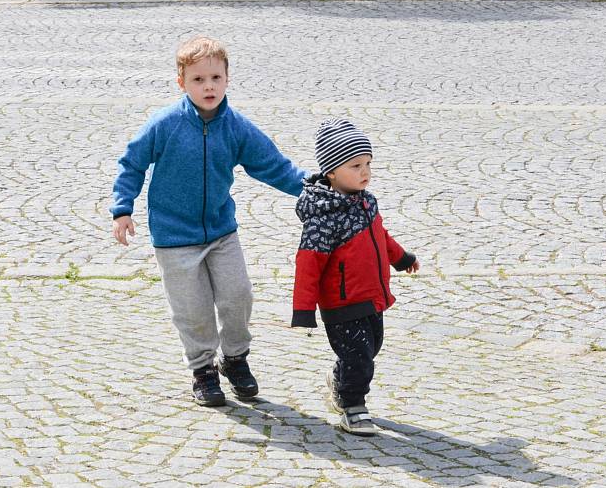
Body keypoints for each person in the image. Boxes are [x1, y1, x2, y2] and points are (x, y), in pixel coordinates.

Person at [110, 36, 307, 407]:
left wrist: (314, 188)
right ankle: (202, 370)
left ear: (227, 79)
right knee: (193, 310)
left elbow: (274, 166)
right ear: (181, 82)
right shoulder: (164, 124)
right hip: (174, 236)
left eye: (216, 77)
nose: (209, 86)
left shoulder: (235, 127)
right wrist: (122, 208)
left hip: (220, 231)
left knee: (238, 296)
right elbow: (132, 163)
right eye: (198, 80)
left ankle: (234, 359)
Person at [291, 118, 420, 435]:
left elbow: (380, 237)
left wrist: (400, 258)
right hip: (342, 302)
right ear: (332, 171)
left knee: (370, 347)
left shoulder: (366, 202)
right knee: (359, 356)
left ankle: (340, 381)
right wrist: (303, 309)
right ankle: (352, 406)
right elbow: (308, 262)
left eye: (368, 164)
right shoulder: (324, 216)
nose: (365, 172)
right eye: (355, 165)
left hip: (371, 295)